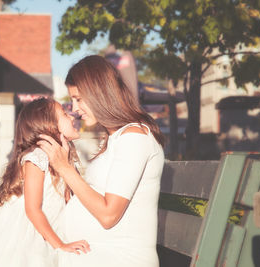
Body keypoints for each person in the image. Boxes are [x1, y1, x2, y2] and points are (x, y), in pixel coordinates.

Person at [38, 55, 165, 267]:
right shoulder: (117, 138)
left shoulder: (134, 137)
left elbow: (108, 215)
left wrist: (64, 168)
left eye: (78, 99)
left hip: (119, 258)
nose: (75, 109)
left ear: (98, 92)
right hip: (97, 253)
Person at [0, 98, 90, 267]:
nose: (71, 116)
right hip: (28, 233)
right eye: (63, 114)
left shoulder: (66, 159)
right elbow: (32, 210)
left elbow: (69, 203)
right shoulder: (37, 157)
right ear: (49, 125)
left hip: (52, 228)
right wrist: (60, 245)